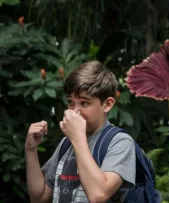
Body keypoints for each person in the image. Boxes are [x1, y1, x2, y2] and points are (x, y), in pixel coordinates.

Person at [25, 61, 136, 203]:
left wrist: (77, 138)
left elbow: (98, 195)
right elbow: (39, 198)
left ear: (107, 104)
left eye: (84, 103)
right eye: (71, 102)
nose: (74, 112)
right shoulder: (67, 143)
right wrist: (31, 150)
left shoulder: (120, 142)